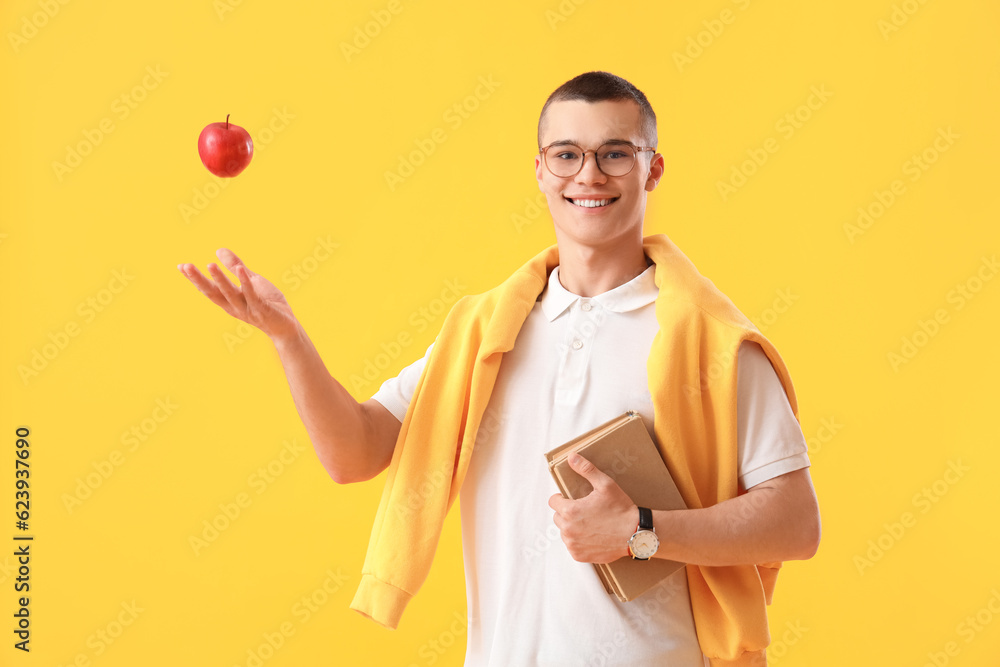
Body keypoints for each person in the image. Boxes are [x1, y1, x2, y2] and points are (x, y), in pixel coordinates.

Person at [178, 71, 820, 666]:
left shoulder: (712, 343)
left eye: (615, 153)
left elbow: (796, 523)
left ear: (652, 169)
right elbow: (355, 451)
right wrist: (289, 339)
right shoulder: (483, 335)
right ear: (540, 171)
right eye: (567, 154)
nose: (588, 174)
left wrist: (641, 532)